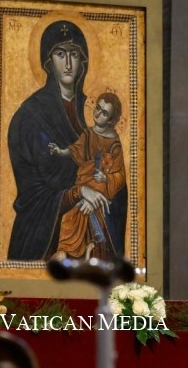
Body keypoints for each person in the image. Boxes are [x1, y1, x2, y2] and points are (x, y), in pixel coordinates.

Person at [6, 20, 111, 261]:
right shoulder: (30, 115)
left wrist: (100, 185)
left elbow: (112, 168)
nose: (68, 64)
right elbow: (32, 191)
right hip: (44, 232)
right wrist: (77, 192)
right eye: (60, 54)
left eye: (74, 54)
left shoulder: (94, 112)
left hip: (92, 227)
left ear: (83, 60)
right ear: (48, 61)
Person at [49, 91, 128, 260]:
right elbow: (75, 150)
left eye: (104, 113)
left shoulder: (114, 143)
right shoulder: (88, 134)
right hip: (85, 183)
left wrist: (106, 179)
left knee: (79, 214)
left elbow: (120, 175)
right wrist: (60, 151)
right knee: (71, 216)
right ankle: (73, 250)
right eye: (97, 108)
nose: (98, 114)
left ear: (111, 120)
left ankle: (76, 248)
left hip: (103, 188)